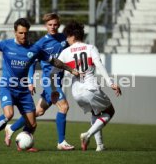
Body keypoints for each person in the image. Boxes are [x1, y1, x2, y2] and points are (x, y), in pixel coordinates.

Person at [0, 18, 78, 152]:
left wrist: (71, 69)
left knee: (32, 124)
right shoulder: (5, 45)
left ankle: (22, 144)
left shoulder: (35, 48)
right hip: (7, 87)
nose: (23, 36)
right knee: (9, 114)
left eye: (26, 33)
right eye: (20, 33)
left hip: (23, 91)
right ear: (15, 32)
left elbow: (54, 61)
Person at [4, 13, 75, 150]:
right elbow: (30, 63)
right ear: (45, 26)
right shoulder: (40, 44)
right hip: (49, 81)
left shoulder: (64, 39)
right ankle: (61, 142)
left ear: (59, 25)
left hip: (58, 80)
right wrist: (30, 81)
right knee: (64, 107)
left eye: (55, 24)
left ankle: (13, 130)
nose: (53, 27)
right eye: (50, 25)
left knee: (37, 112)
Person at [50, 21, 122, 151]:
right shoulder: (90, 48)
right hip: (91, 88)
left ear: (72, 36)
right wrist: (111, 83)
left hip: (76, 93)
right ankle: (87, 134)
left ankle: (100, 146)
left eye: (67, 36)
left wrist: (54, 90)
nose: (66, 40)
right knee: (110, 112)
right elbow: (99, 66)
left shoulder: (65, 52)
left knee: (96, 113)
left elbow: (52, 73)